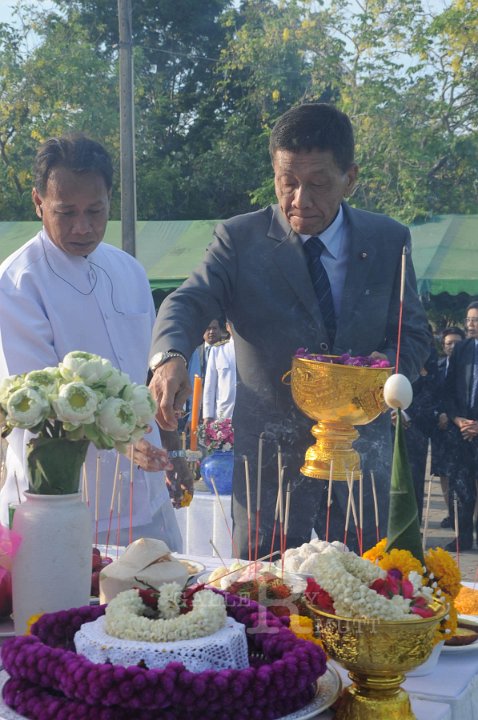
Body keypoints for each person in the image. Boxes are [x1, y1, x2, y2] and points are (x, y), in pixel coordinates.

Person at [148, 103, 430, 558]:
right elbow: (189, 300)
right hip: (270, 463)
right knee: (265, 602)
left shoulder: (388, 241)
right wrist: (170, 357)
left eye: (318, 184)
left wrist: (379, 377)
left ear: (350, 178)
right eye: (288, 182)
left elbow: (412, 335)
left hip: (361, 458)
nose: (300, 199)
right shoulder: (239, 240)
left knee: (367, 594)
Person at [0, 133, 187, 550]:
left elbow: (145, 377)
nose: (83, 226)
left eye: (95, 211)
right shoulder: (17, 282)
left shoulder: (130, 272)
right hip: (62, 497)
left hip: (146, 492)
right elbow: (40, 400)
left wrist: (171, 444)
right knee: (65, 611)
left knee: (166, 603)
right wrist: (122, 439)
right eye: (66, 212)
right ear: (38, 203)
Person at [444, 302, 478, 551]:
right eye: (468, 320)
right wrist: (458, 420)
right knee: (463, 487)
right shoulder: (462, 349)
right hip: (462, 431)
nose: (470, 325)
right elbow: (448, 391)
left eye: (475, 320)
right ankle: (463, 537)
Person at [430, 326, 466, 528]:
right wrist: (439, 413)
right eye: (448, 343)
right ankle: (451, 513)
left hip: (464, 426)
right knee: (443, 472)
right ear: (443, 346)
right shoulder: (439, 366)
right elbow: (433, 393)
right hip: (441, 429)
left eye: (457, 343)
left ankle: (468, 516)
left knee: (466, 474)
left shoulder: (470, 365)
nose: (453, 346)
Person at [202, 322, 236, 421]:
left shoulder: (253, 352)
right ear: (227, 327)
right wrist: (208, 416)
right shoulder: (218, 350)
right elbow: (210, 386)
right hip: (223, 415)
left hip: (247, 413)